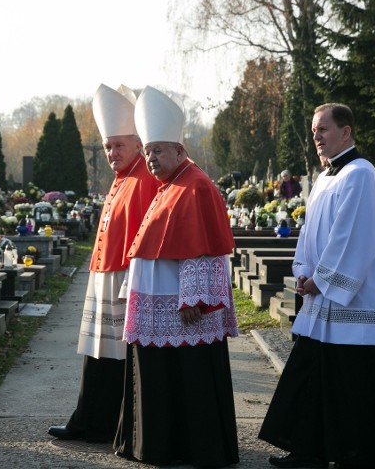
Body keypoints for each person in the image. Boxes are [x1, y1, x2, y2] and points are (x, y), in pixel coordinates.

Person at [258, 103, 375, 469]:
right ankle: (309, 449)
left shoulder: (360, 174)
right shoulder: (326, 177)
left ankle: (356, 454)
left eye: (323, 130)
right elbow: (310, 233)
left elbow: (352, 239)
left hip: (354, 305)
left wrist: (321, 280)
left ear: (346, 132)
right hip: (323, 299)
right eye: (313, 131)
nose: (316, 138)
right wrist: (302, 271)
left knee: (350, 383)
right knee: (315, 375)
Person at [114, 86, 240, 468]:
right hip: (159, 306)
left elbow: (205, 248)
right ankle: (160, 444)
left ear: (181, 151)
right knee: (163, 377)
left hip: (183, 310)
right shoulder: (169, 186)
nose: (151, 158)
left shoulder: (196, 185)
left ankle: (190, 447)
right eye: (148, 152)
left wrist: (195, 299)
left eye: (158, 151)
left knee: (188, 378)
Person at [48, 84, 159, 442]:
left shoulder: (144, 179)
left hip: (124, 277)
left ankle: (101, 422)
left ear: (137, 144)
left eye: (118, 146)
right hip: (104, 275)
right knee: (98, 353)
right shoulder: (121, 177)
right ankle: (89, 419)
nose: (111, 153)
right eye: (108, 146)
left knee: (115, 357)